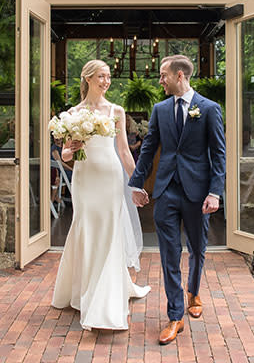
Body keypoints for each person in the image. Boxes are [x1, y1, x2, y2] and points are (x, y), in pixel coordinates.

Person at [128, 54, 226, 345]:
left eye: (163, 75)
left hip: (198, 193)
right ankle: (175, 316)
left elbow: (218, 153)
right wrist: (136, 184)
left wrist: (214, 192)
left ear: (180, 76)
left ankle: (193, 292)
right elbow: (148, 150)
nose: (160, 81)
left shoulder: (209, 109)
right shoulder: (159, 109)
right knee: (169, 255)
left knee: (197, 249)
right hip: (166, 191)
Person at [51, 60, 150, 330]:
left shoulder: (116, 110)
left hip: (109, 177)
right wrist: (74, 146)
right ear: (88, 78)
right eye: (101, 76)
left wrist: (137, 182)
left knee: (109, 230)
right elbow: (67, 155)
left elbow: (124, 151)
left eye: (108, 77)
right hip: (85, 178)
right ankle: (83, 288)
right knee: (85, 228)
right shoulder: (73, 113)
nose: (106, 81)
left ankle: (104, 293)